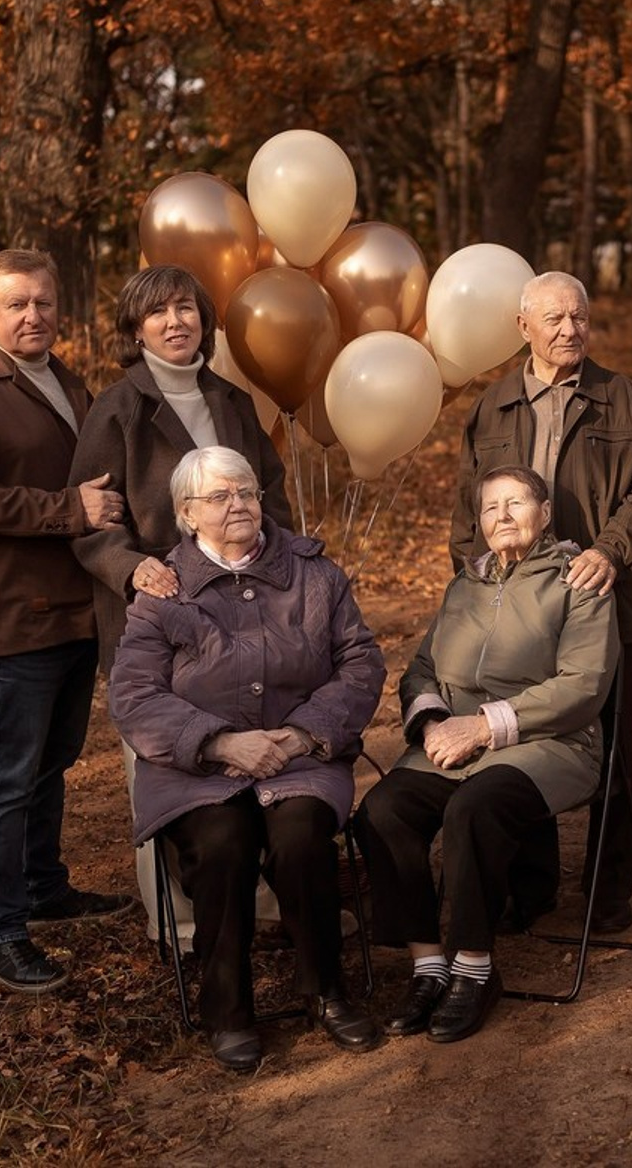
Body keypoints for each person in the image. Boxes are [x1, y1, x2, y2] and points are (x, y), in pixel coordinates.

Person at [108, 447, 384, 1071]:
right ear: (186, 513)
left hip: (300, 756)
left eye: (247, 492)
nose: (238, 505)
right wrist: (218, 742)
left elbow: (361, 665)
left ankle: (328, 991)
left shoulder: (316, 574)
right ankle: (228, 1012)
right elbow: (132, 694)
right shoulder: (162, 590)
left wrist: (299, 735)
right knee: (221, 845)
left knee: (301, 835)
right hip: (195, 770)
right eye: (219, 496)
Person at [356, 466, 618, 1043]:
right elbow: (422, 669)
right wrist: (429, 721)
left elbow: (583, 685)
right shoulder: (463, 586)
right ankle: (427, 964)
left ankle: (473, 967)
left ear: (545, 514)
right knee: (382, 810)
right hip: (452, 741)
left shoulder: (578, 582)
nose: (501, 515)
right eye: (490, 507)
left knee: (474, 807)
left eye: (515, 502)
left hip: (551, 744)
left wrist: (483, 726)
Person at [69, 264, 291, 938]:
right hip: (154, 615)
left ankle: (258, 902)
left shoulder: (231, 399)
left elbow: (271, 497)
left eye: (186, 308)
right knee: (162, 768)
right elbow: (93, 521)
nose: (175, 321)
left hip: (243, 613)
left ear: (204, 319)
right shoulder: (117, 409)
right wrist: (133, 568)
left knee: (243, 761)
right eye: (159, 311)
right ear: (135, 328)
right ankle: (180, 921)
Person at [450, 272, 632, 935]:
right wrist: (477, 588)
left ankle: (607, 895)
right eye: (554, 320)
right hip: (515, 616)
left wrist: (609, 551)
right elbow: (468, 509)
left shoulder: (624, 400)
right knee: (521, 741)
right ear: (524, 328)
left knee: (611, 752)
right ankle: (530, 886)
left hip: (598, 602)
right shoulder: (491, 407)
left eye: (579, 318)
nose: (570, 330)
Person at [0, 249, 133, 995]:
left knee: (53, 760)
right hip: (11, 616)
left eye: (42, 302)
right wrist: (69, 511)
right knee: (6, 777)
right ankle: (1, 932)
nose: (32, 315)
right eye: (16, 304)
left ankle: (45, 888)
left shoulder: (64, 377)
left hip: (76, 608)